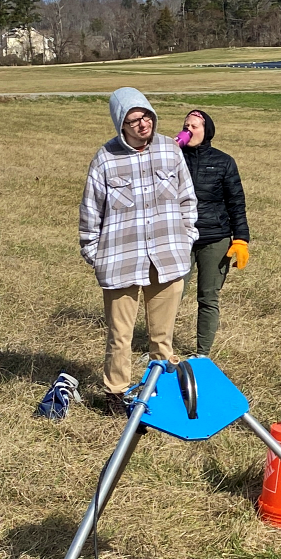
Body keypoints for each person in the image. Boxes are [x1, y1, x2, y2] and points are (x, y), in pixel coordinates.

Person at [80, 88, 198, 415]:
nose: (143, 124)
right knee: (121, 337)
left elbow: (187, 199)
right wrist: (95, 254)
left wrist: (186, 238)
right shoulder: (105, 159)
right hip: (121, 263)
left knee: (162, 339)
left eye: (146, 116)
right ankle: (115, 396)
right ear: (121, 125)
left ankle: (160, 396)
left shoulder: (170, 151)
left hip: (168, 259)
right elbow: (91, 212)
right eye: (133, 121)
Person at [176, 108, 250, 355]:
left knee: (208, 298)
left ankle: (202, 353)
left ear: (206, 131)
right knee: (169, 296)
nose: (188, 130)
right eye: (185, 125)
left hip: (214, 239)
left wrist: (240, 239)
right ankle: (159, 348)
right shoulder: (173, 157)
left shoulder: (223, 162)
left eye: (194, 126)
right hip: (180, 237)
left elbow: (236, 203)